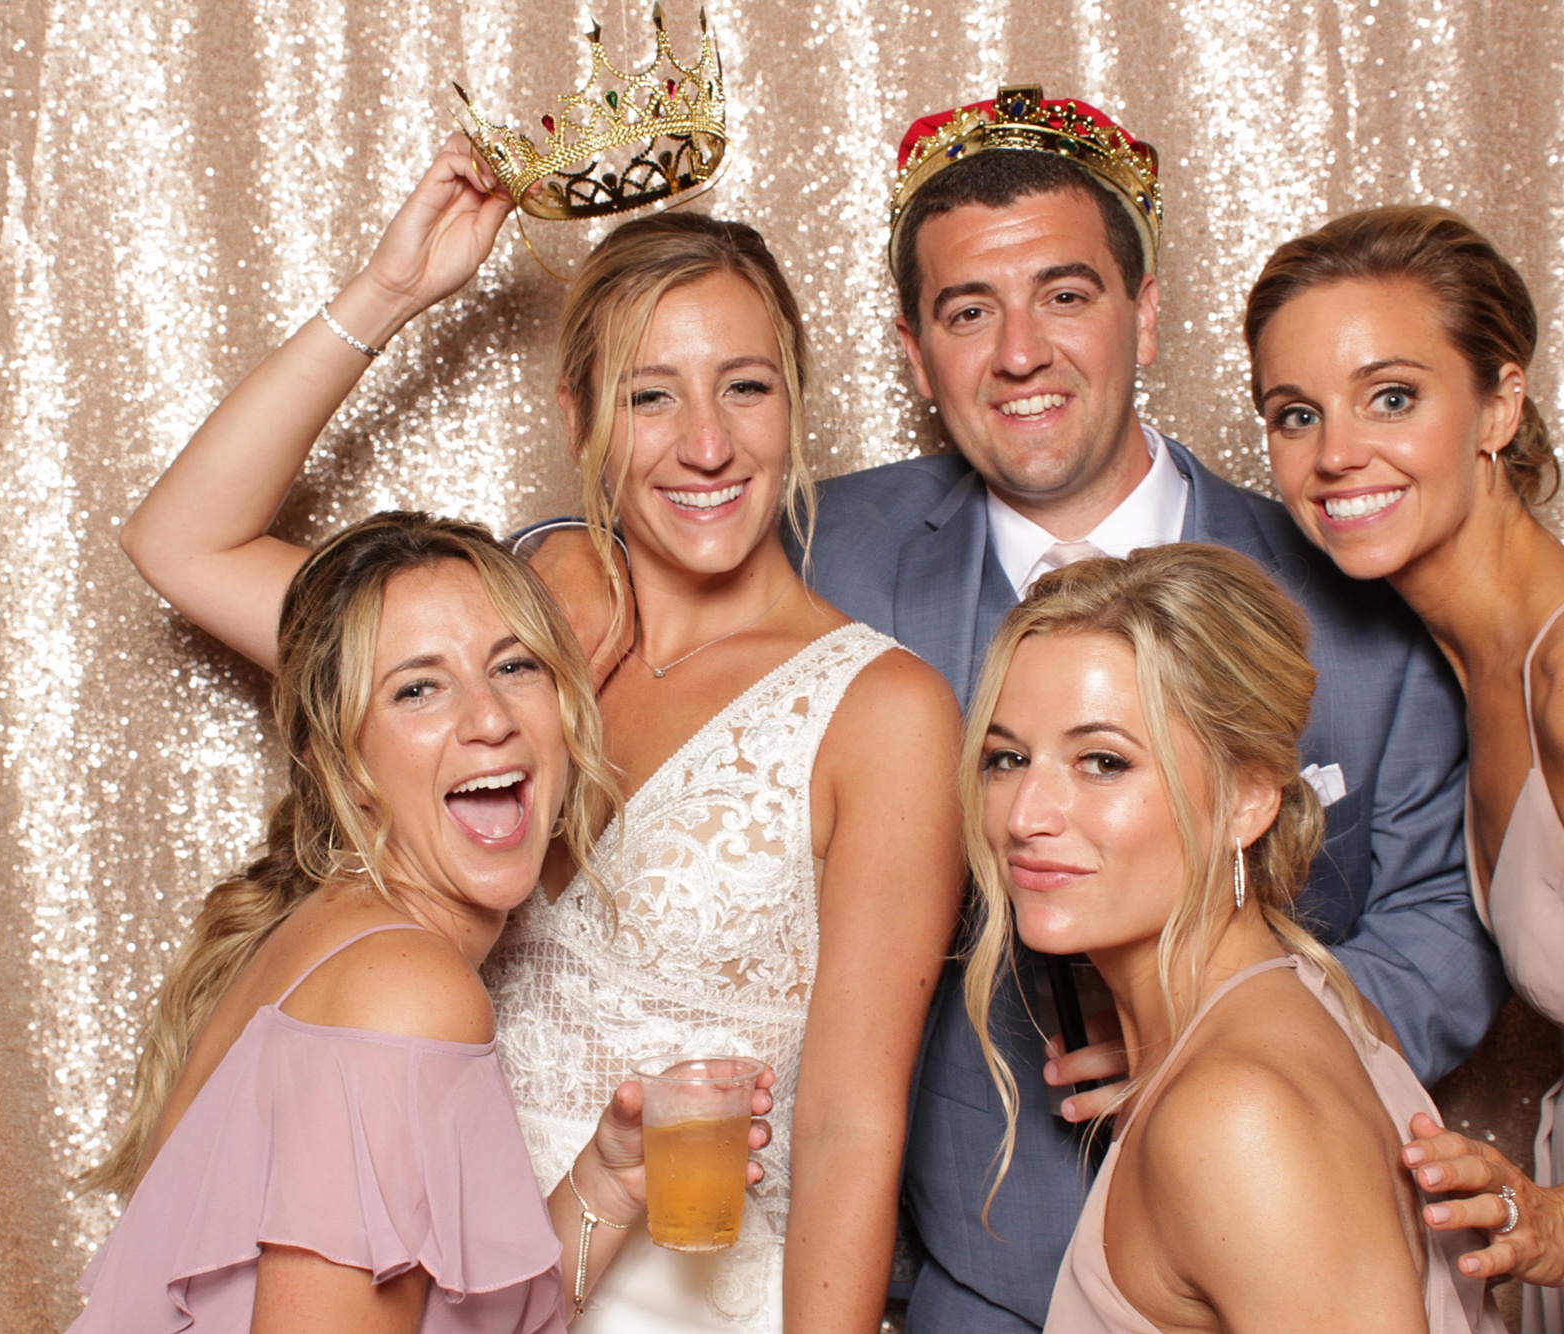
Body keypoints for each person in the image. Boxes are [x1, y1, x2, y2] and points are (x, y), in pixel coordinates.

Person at [527, 85, 1502, 1330]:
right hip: (959, 1281)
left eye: (1064, 295)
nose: (1019, 352)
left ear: (1145, 315)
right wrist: (559, 546)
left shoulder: (1345, 583)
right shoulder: (828, 550)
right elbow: (657, 514)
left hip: (1272, 1237)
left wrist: (1210, 1029)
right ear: (913, 348)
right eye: (967, 310)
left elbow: (1447, 913)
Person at [118, 133, 966, 1334]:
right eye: (648, 392)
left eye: (745, 383)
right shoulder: (503, 652)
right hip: (422, 1273)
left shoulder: (878, 708)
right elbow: (181, 544)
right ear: (578, 413)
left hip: (685, 1295)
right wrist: (390, 293)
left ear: (795, 399)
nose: (707, 442)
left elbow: (847, 1122)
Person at [73, 512, 778, 1332]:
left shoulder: (335, 930)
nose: (489, 719)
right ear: (343, 763)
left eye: (515, 666)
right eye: (419, 687)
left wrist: (607, 1183)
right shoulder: (406, 992)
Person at [1246, 204, 1564, 1333]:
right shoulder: (1466, 663)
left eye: (1389, 395)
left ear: (1499, 403)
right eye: (1292, 413)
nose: (1335, 451)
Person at [961, 542, 1505, 1333]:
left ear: (1249, 796)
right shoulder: (1305, 1007)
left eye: (1103, 762)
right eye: (1007, 758)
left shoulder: (1236, 1119)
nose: (1023, 816)